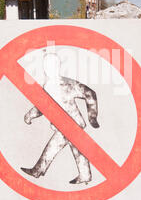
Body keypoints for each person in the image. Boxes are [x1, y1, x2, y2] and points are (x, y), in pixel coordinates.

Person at [21, 52, 99, 185]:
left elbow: (90, 93)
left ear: (57, 66)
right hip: (64, 125)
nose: (48, 68)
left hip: (70, 125)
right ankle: (85, 176)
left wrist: (93, 117)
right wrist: (30, 115)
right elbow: (43, 105)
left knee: (52, 148)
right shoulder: (48, 85)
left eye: (51, 65)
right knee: (78, 150)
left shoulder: (67, 84)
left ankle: (37, 170)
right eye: (46, 65)